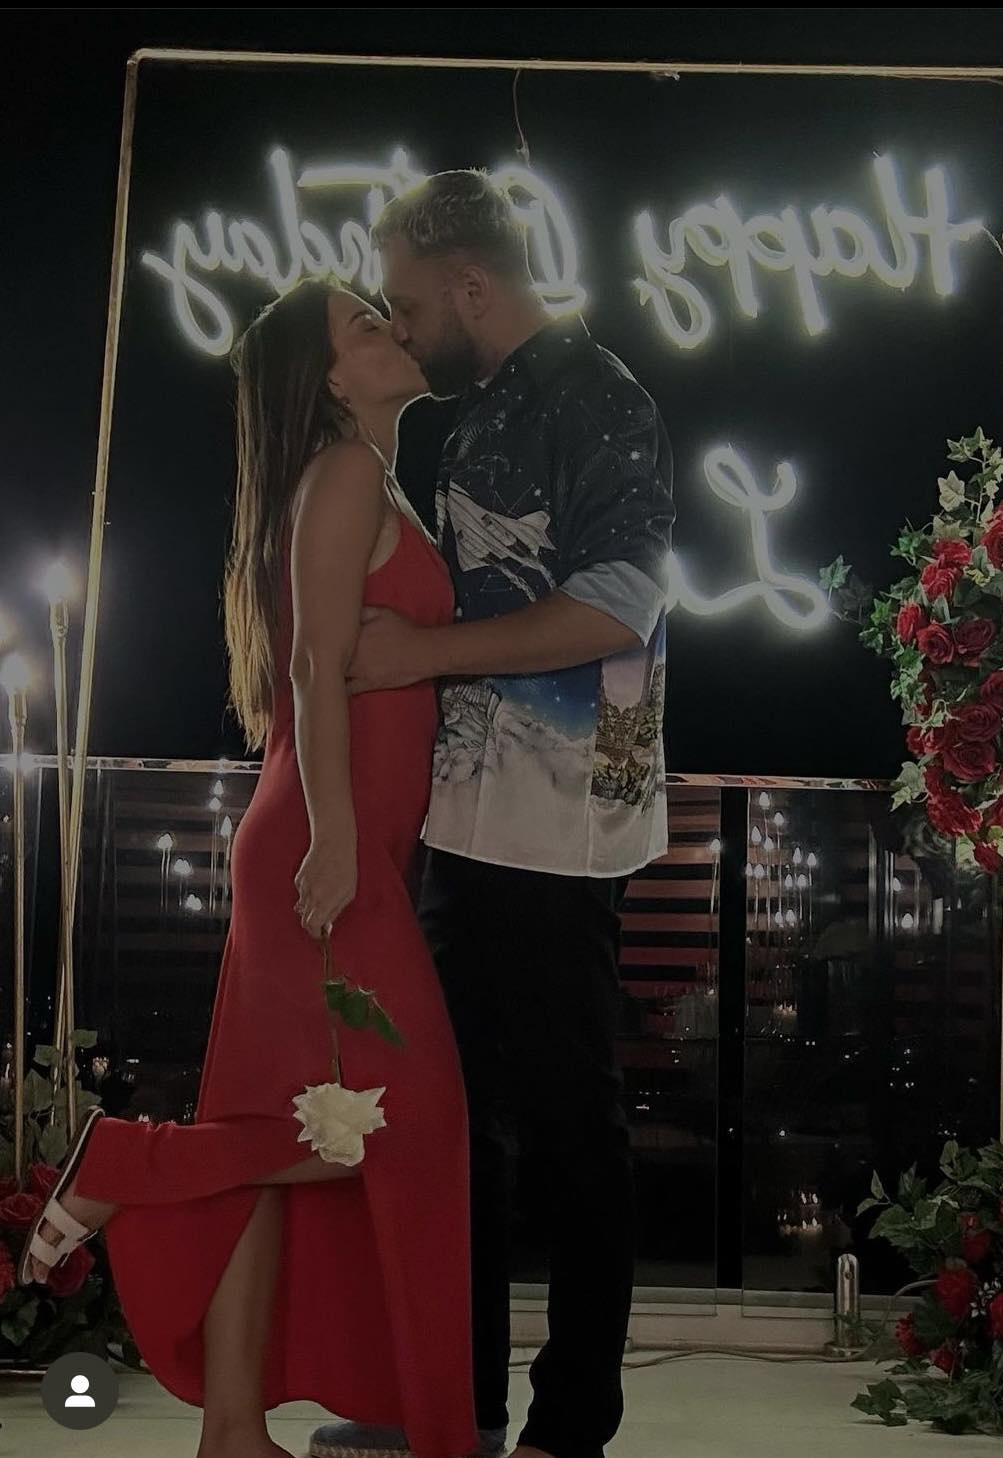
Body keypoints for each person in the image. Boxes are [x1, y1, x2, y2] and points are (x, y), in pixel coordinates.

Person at [19, 279, 480, 1458]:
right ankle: (126, 1158)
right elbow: (316, 669)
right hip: (323, 848)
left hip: (337, 842)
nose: (393, 328)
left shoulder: (368, 480)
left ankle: (233, 1429)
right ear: (328, 378)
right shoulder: (344, 472)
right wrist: (336, 835)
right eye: (365, 325)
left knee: (292, 1132)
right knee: (405, 1126)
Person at [311, 171, 674, 1458]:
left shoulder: (600, 397)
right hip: (467, 815)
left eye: (409, 303)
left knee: (571, 1126)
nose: (402, 327)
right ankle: (451, 1410)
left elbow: (620, 605)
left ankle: (569, 1425)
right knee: (453, 1122)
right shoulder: (473, 417)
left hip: (567, 817)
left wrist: (416, 655)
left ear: (472, 284)